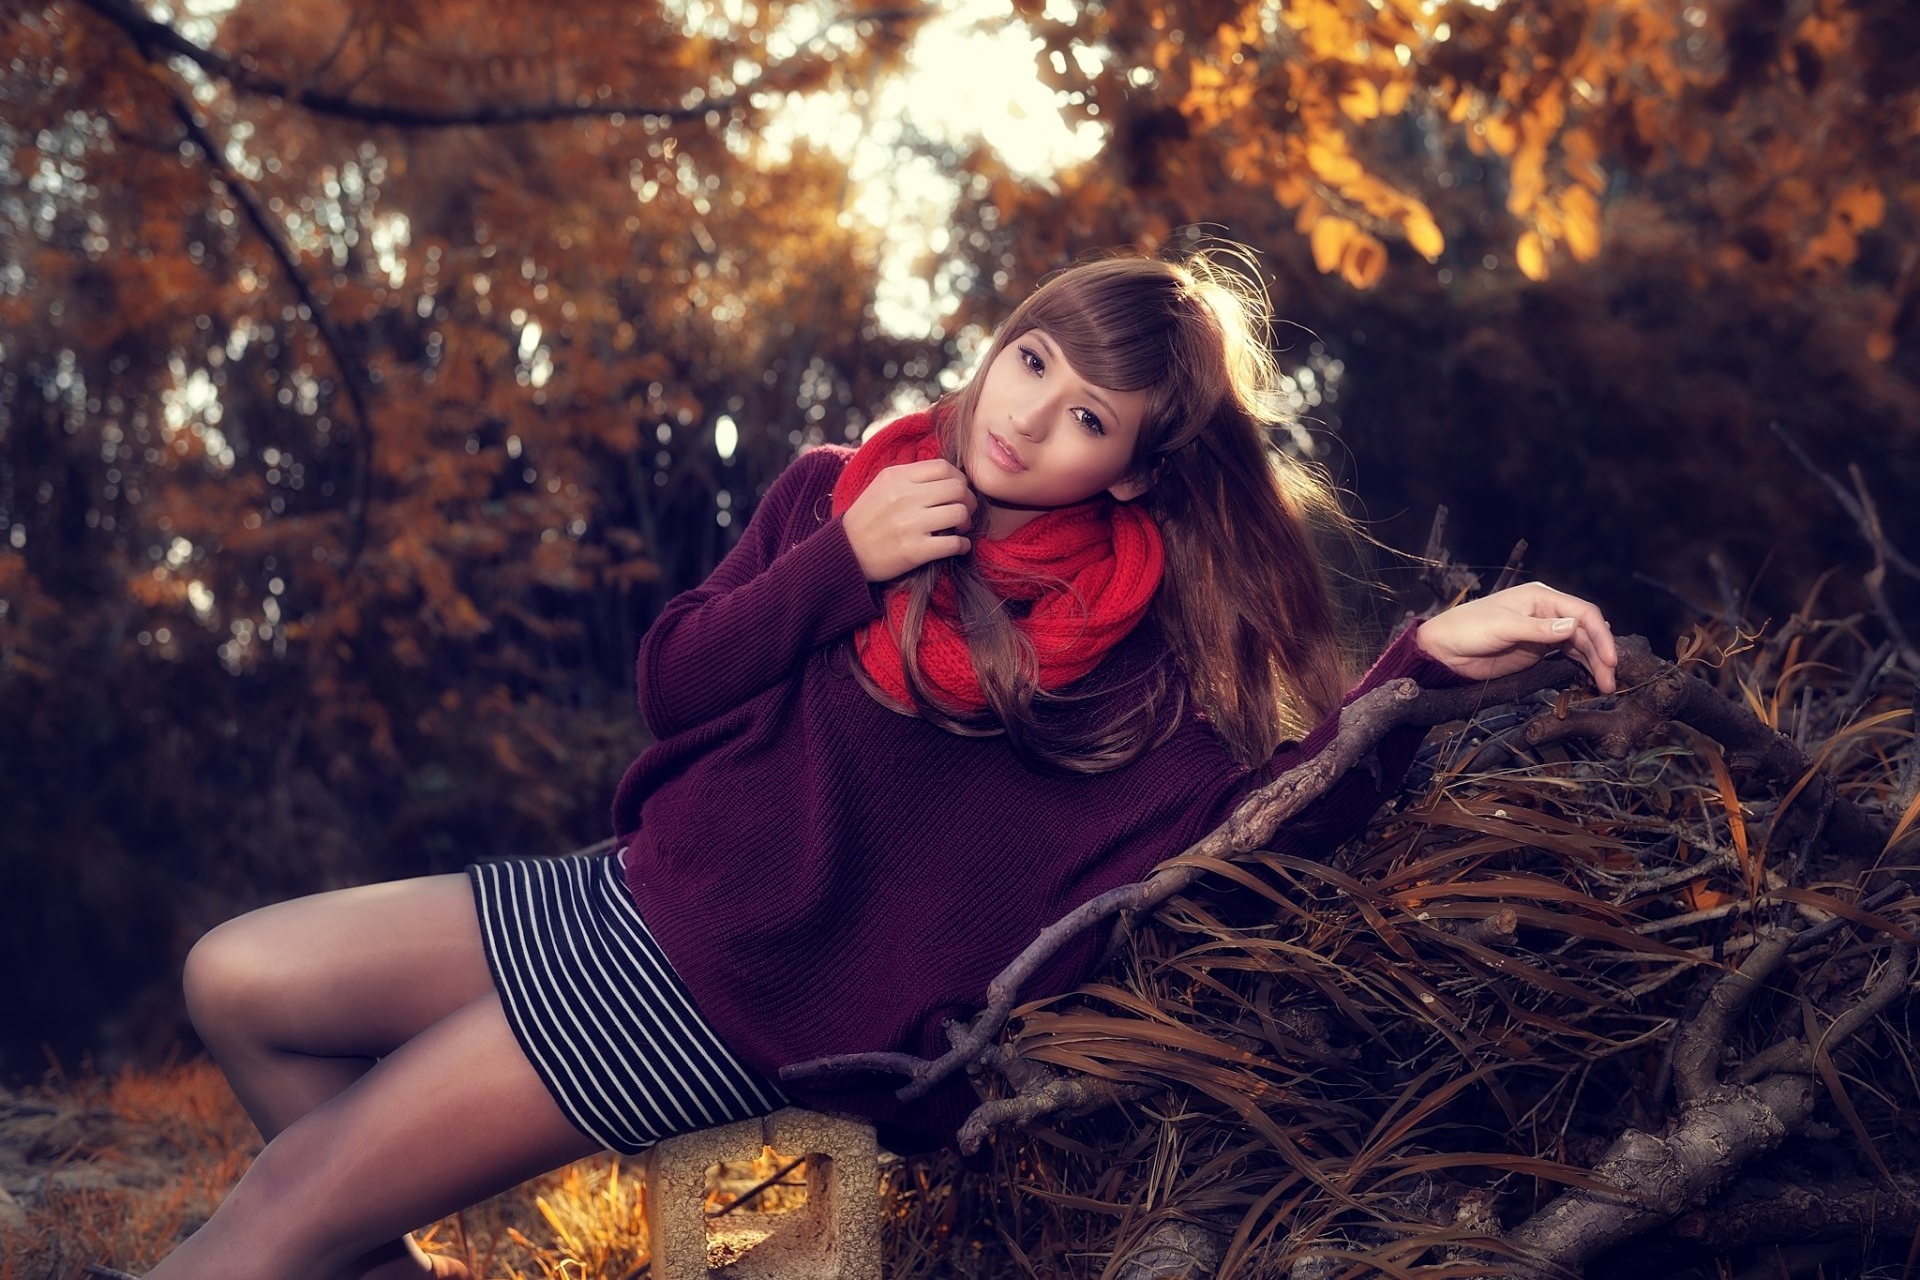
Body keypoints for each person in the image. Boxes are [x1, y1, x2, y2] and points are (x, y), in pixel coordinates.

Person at [145, 249, 1616, 1280]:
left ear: (1138, 466)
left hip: (720, 994)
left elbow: (1239, 838)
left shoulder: (1136, 671)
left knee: (277, 1215)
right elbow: (673, 685)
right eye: (1030, 357)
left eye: (1087, 415)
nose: (1026, 414)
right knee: (239, 977)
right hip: (635, 889)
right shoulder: (837, 491)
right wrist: (837, 566)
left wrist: (1419, 670)